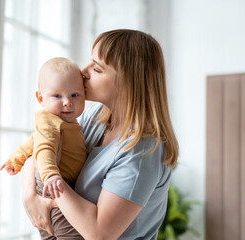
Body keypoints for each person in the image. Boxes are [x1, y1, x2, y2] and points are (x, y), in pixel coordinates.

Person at [21, 29, 179, 240]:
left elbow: (99, 234)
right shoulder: (96, 117)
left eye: (96, 68)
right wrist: (30, 196)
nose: (83, 71)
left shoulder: (141, 151)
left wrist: (50, 199)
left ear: (126, 82)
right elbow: (39, 148)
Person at [0, 57, 87, 238]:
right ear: (41, 98)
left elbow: (34, 140)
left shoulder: (63, 122)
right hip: (55, 186)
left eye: (74, 95)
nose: (67, 102)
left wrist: (16, 159)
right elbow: (44, 147)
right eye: (57, 96)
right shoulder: (49, 119)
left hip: (58, 185)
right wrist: (51, 175)